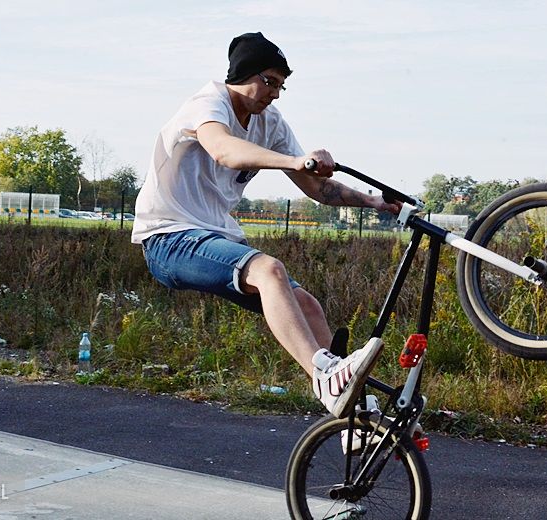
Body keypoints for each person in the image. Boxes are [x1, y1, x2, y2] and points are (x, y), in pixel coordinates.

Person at [132, 32, 401, 418]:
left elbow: (317, 187)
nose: (274, 93)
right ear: (242, 75)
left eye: (281, 86)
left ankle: (348, 414)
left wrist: (374, 201)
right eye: (269, 82)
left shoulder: (269, 122)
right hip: (168, 238)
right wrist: (293, 161)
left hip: (214, 237)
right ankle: (324, 374)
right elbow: (225, 150)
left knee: (306, 305)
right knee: (269, 269)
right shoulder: (207, 104)